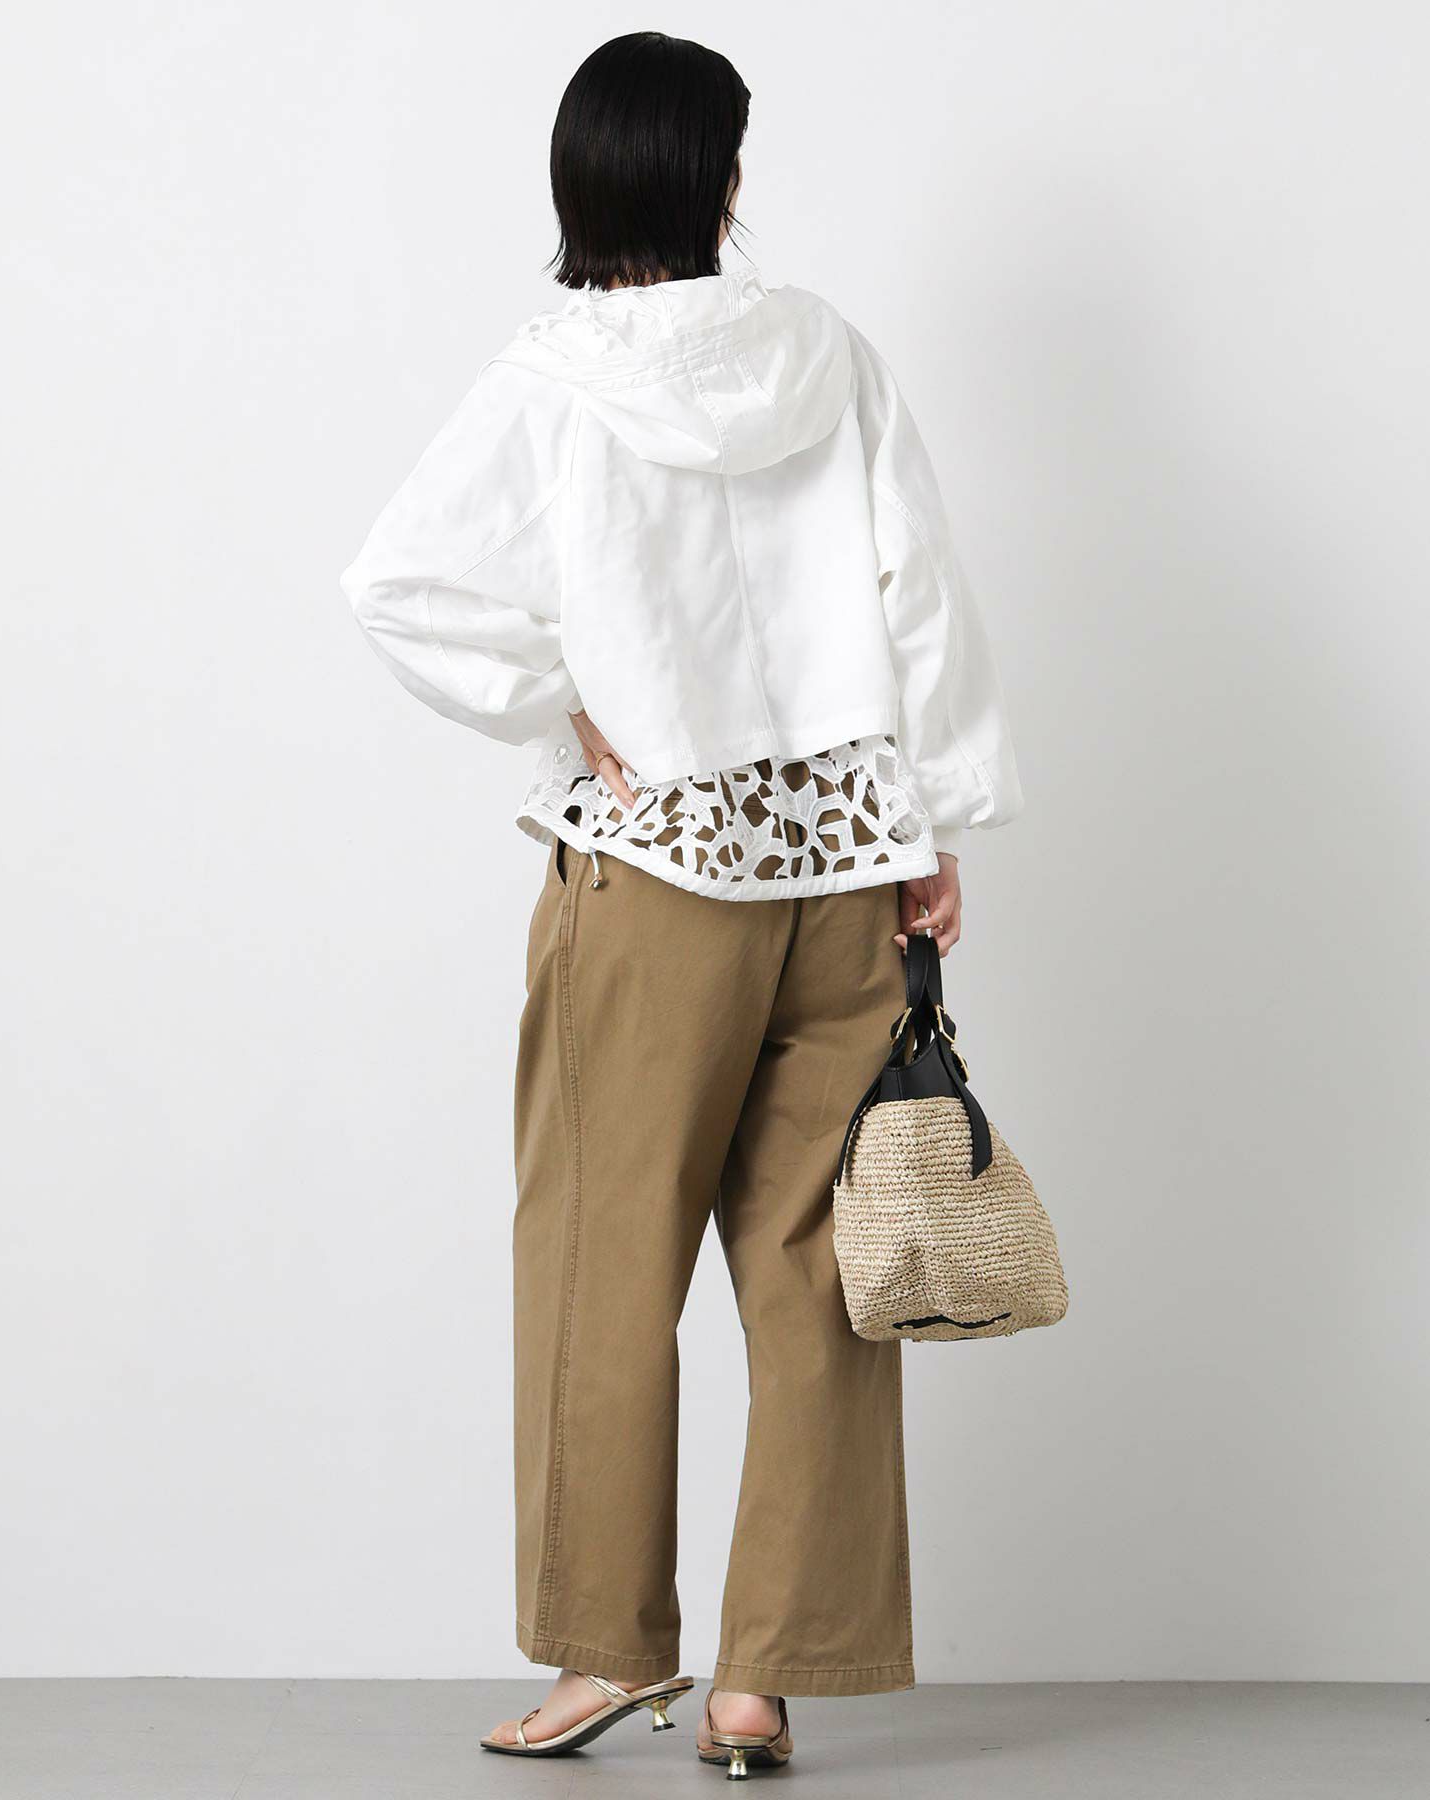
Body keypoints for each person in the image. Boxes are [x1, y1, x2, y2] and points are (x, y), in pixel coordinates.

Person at [342, 29, 1021, 1779]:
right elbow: (919, 587)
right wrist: (931, 821)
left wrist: (563, 705)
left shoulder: (555, 377)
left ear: (582, 183)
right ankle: (758, 1684)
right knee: (818, 1282)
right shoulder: (827, 352)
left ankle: (601, 1656)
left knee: (599, 1261)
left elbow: (398, 585)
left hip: (654, 881)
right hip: (841, 867)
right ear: (718, 180)